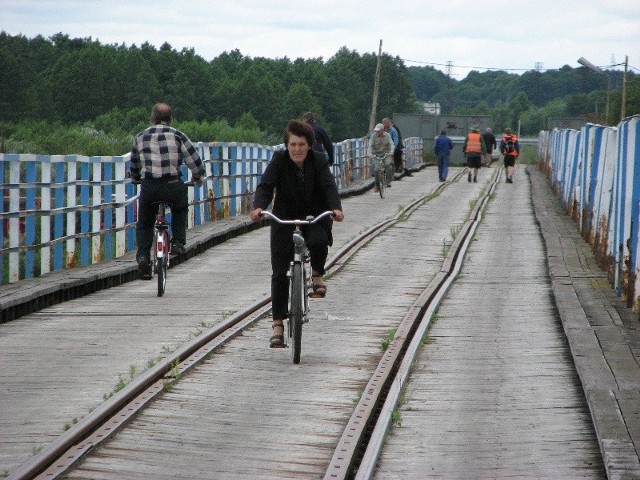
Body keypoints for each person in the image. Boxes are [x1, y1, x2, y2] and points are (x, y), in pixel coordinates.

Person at [250, 119, 344, 348]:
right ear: (286, 145)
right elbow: (266, 185)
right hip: (285, 217)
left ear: (309, 145)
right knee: (279, 272)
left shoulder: (319, 161)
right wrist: (259, 207)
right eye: (293, 144)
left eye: (302, 144)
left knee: (319, 240)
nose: (297, 149)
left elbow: (329, 186)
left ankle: (318, 274)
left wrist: (336, 208)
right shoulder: (279, 161)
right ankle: (278, 325)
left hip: (314, 214)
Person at [130, 103, 205, 280]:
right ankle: (178, 243)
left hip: (149, 187)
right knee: (180, 208)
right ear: (171, 119)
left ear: (152, 118)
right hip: (172, 185)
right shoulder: (178, 135)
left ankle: (142, 257)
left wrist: (136, 179)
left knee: (145, 223)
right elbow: (194, 161)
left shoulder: (140, 137)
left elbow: (134, 166)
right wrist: (198, 177)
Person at [368, 122, 394, 192]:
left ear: (382, 130)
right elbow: (370, 145)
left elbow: (391, 144)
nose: (377, 132)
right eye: (376, 131)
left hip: (386, 154)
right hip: (376, 155)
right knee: (376, 170)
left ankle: (388, 180)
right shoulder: (373, 136)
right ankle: (377, 185)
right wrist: (370, 153)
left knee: (388, 165)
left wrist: (391, 151)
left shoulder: (387, 135)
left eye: (378, 131)